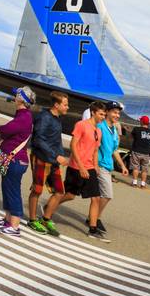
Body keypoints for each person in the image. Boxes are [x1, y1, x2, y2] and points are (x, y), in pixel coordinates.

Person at [0, 86, 35, 237]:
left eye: (17, 95)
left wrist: (1, 129)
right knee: (7, 189)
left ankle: (15, 226)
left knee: (13, 192)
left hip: (15, 160)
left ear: (21, 99)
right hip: (14, 160)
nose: (15, 97)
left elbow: (7, 129)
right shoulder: (23, 115)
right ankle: (8, 220)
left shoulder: (24, 117)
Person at [60, 99, 106, 233]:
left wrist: (95, 166)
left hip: (90, 167)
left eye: (104, 115)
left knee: (96, 198)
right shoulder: (81, 125)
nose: (103, 117)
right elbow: (72, 145)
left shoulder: (98, 131)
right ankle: (51, 206)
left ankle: (92, 228)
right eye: (101, 114)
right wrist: (80, 166)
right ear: (93, 113)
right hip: (76, 166)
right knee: (70, 195)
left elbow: (95, 150)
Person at [27, 90, 69, 234]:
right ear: (56, 105)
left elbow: (55, 141)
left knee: (59, 192)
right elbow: (38, 139)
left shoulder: (57, 119)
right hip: (41, 158)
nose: (67, 107)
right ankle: (32, 220)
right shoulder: (44, 117)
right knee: (37, 190)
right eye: (65, 104)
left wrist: (61, 157)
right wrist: (56, 156)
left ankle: (45, 218)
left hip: (54, 161)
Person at [93, 103, 129, 236]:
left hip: (108, 166)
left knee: (103, 195)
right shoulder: (100, 127)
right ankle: (94, 219)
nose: (117, 115)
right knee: (107, 195)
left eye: (118, 113)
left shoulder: (114, 130)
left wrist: (123, 166)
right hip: (100, 165)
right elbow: (94, 147)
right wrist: (95, 164)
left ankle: (94, 218)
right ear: (107, 112)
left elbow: (114, 150)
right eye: (114, 112)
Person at [128, 116, 150, 187]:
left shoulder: (136, 129)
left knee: (135, 167)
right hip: (146, 153)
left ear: (142, 122)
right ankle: (143, 184)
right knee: (144, 169)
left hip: (136, 151)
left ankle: (135, 182)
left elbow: (131, 137)